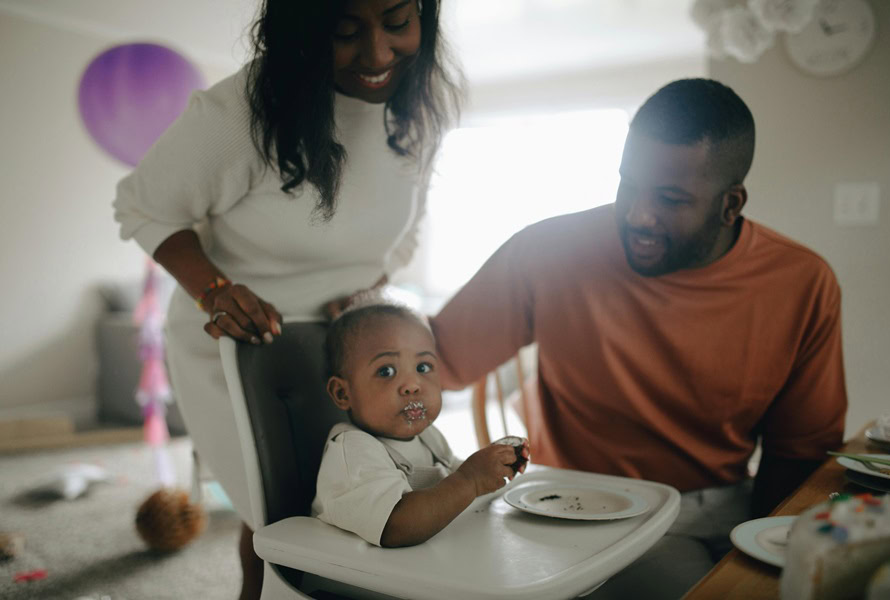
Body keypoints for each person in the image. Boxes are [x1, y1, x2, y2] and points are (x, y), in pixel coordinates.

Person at [430, 78, 847, 598]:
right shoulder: (548, 249)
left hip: (721, 507)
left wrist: (764, 563)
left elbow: (801, 454)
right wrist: (370, 321)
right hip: (574, 508)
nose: (637, 216)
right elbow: (435, 360)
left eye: (670, 199)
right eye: (629, 184)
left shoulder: (802, 282)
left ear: (730, 204)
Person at [112, 1, 463, 597]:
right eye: (345, 33)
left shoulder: (421, 105)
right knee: (281, 509)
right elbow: (143, 205)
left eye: (398, 24)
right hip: (241, 345)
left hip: (345, 340)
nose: (378, 56)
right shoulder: (241, 112)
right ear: (301, 36)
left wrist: (369, 290)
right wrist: (215, 291)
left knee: (365, 497)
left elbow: (407, 230)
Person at [312, 303, 529, 547]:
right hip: (356, 577)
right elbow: (396, 525)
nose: (412, 384)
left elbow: (455, 476)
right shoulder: (352, 451)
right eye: (386, 371)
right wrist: (471, 480)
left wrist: (489, 466)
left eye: (423, 367)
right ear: (343, 393)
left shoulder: (428, 436)